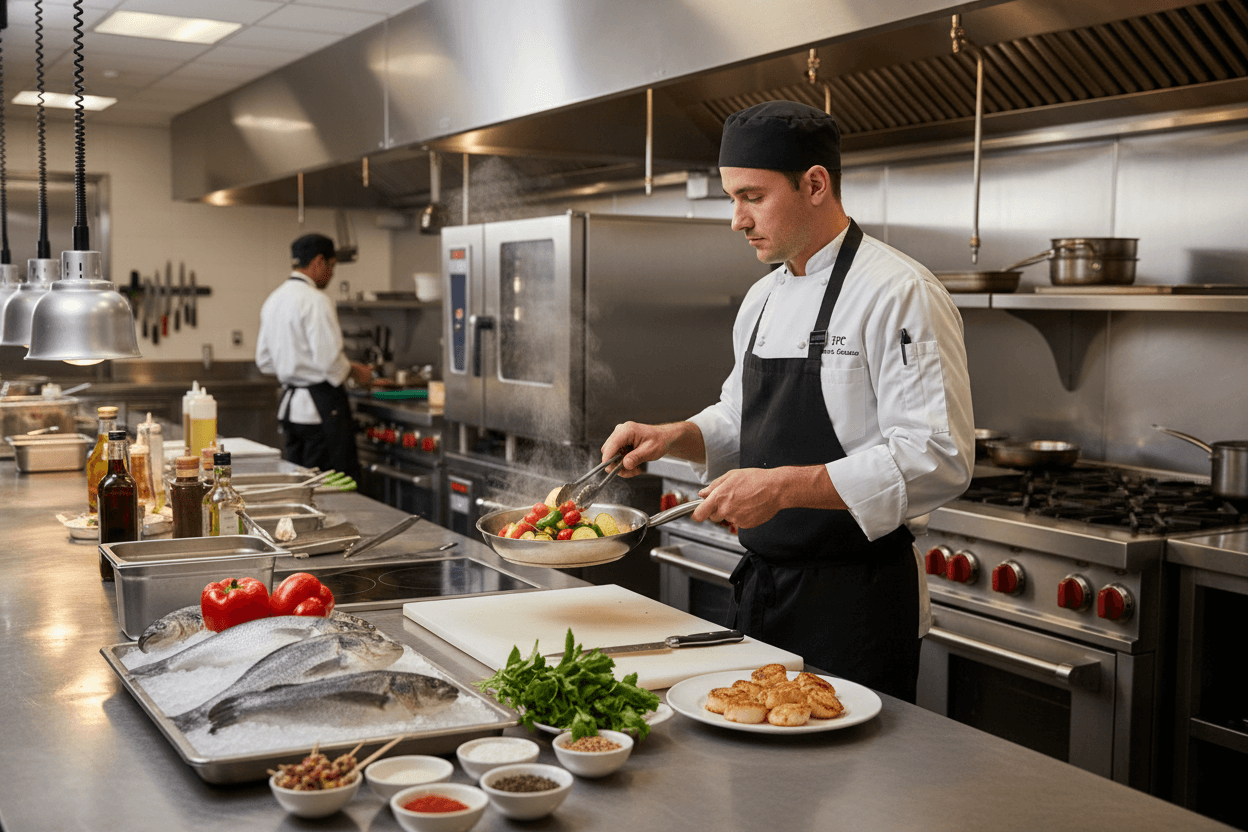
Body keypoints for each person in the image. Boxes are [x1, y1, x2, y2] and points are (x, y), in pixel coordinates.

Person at [601, 101, 974, 703]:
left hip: (859, 605)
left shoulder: (899, 293)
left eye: (752, 196)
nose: (736, 220)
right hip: (764, 593)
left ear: (816, 184)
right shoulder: (762, 298)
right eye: (731, 198)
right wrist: (675, 435)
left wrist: (778, 489)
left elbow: (938, 457)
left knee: (852, 792)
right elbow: (737, 416)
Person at [256, 232, 370, 479]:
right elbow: (329, 360)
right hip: (319, 412)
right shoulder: (316, 300)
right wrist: (354, 370)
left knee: (300, 483)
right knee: (330, 485)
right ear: (319, 261)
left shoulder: (274, 299)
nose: (331, 274)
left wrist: (294, 366)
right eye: (332, 266)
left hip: (290, 411)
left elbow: (264, 361)